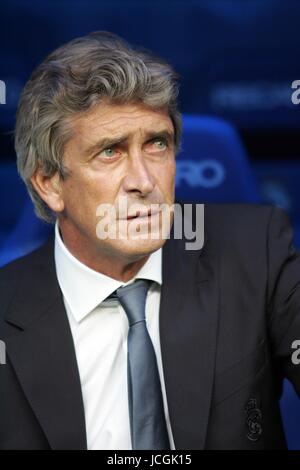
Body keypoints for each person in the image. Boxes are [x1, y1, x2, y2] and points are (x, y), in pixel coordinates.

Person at [0, 31, 299, 450]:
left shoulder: (256, 251)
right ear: (50, 183)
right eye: (110, 152)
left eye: (157, 144)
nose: (144, 182)